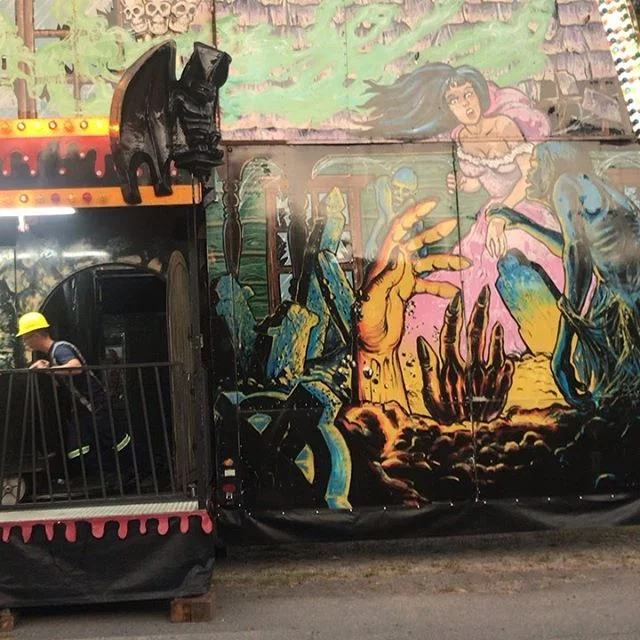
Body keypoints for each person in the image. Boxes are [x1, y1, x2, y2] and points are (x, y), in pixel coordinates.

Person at [361, 63, 564, 356]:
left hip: (523, 209)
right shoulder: (462, 138)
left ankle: (531, 336)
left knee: (509, 249)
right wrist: (463, 183)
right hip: (493, 213)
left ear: (479, 93)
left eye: (468, 94)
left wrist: (501, 216)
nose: (465, 105)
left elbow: (527, 180)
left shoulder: (504, 126)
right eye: (454, 100)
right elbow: (481, 180)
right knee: (467, 269)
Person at [16, 311, 131, 477]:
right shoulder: (55, 353)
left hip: (95, 403)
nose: (25, 343)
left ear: (35, 335)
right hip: (85, 406)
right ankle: (113, 474)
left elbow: (75, 367)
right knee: (79, 449)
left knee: (115, 440)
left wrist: (48, 369)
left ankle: (130, 471)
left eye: (25, 338)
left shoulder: (60, 349)